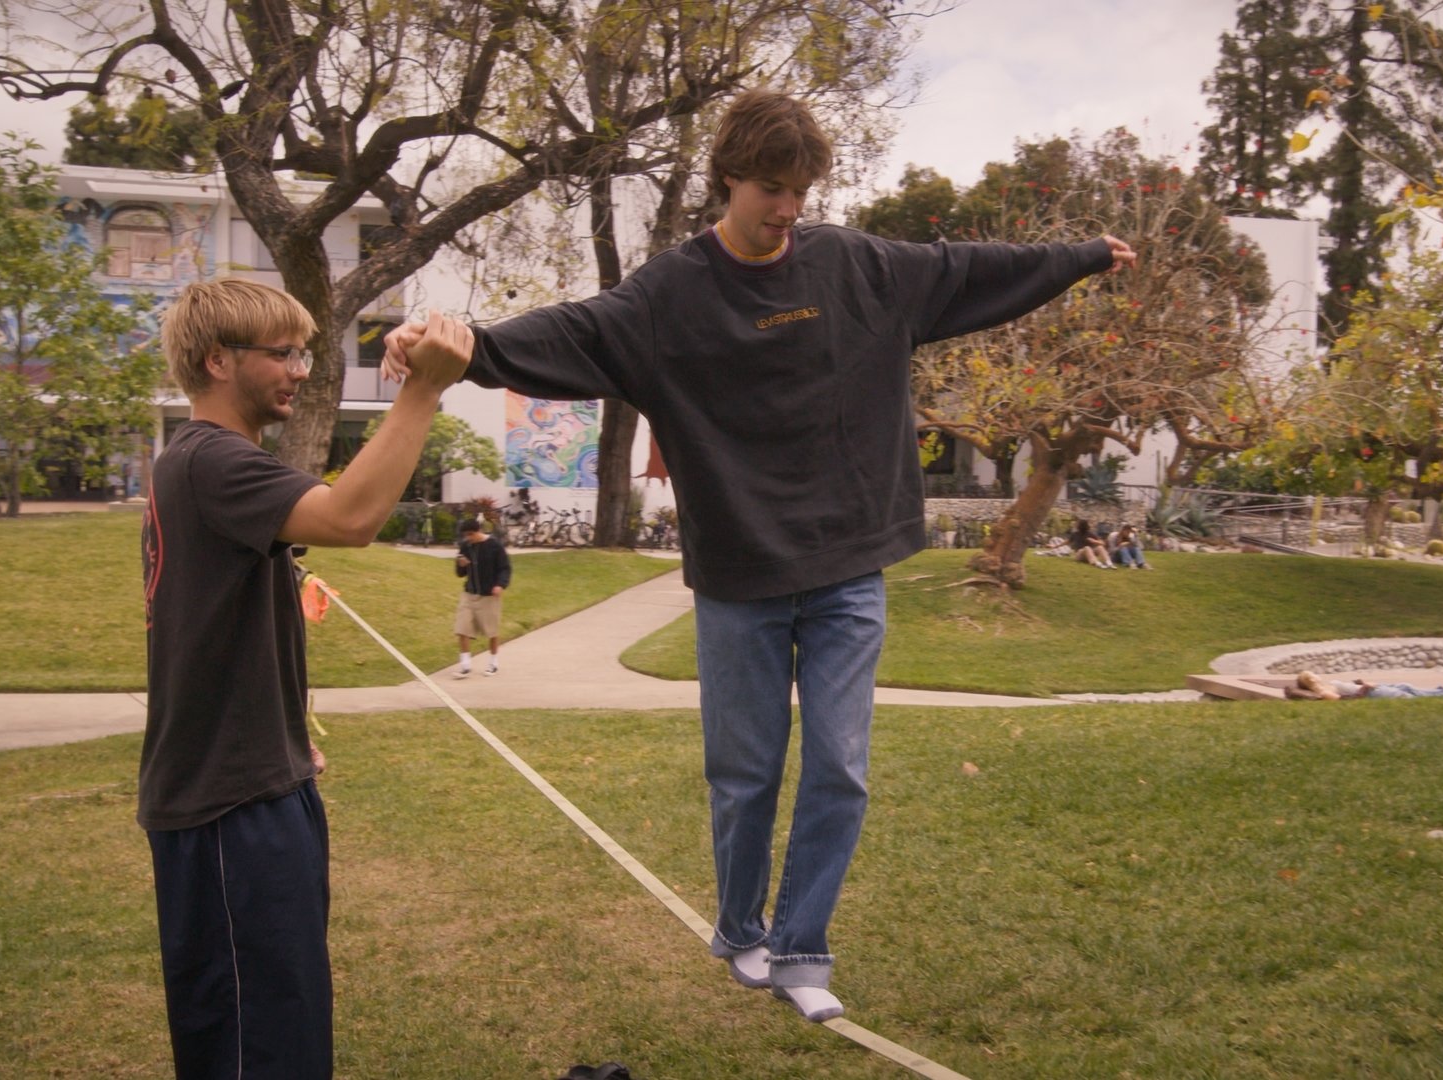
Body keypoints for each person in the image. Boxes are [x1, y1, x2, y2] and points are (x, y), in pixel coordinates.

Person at [382, 88, 1136, 1023]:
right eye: (771, 189)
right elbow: (570, 332)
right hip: (741, 576)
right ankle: (743, 928)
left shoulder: (856, 266)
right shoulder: (668, 296)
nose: (787, 209)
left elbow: (968, 269)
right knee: (744, 775)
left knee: (839, 766)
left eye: (801, 192)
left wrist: (1081, 257)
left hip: (847, 566)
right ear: (728, 178)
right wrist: (454, 343)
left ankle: (803, 948)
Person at [139, 279, 470, 1078]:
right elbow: (350, 518)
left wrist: (280, 739)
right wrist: (423, 388)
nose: (300, 371)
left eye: (304, 354)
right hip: (230, 805)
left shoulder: (202, 464)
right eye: (282, 354)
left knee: (279, 1023)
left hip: (254, 782)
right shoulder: (214, 460)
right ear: (218, 360)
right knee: (258, 1044)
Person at [453, 516, 511, 677]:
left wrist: (500, 585)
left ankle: (493, 663)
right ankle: (465, 665)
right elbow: (460, 573)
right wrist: (460, 565)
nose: (468, 538)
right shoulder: (465, 546)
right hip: (469, 594)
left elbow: (505, 568)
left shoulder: (494, 546)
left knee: (492, 631)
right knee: (462, 628)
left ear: (478, 531)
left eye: (471, 534)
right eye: (466, 535)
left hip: (489, 595)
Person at [1287, 671, 1443, 699]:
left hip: (1371, 688)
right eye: (1312, 675)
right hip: (1370, 694)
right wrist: (1364, 688)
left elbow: (1346, 689)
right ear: (1311, 681)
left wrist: (1359, 683)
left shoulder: (1327, 685)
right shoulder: (1324, 692)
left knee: (1406, 686)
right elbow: (1343, 700)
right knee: (1406, 696)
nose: (1316, 675)